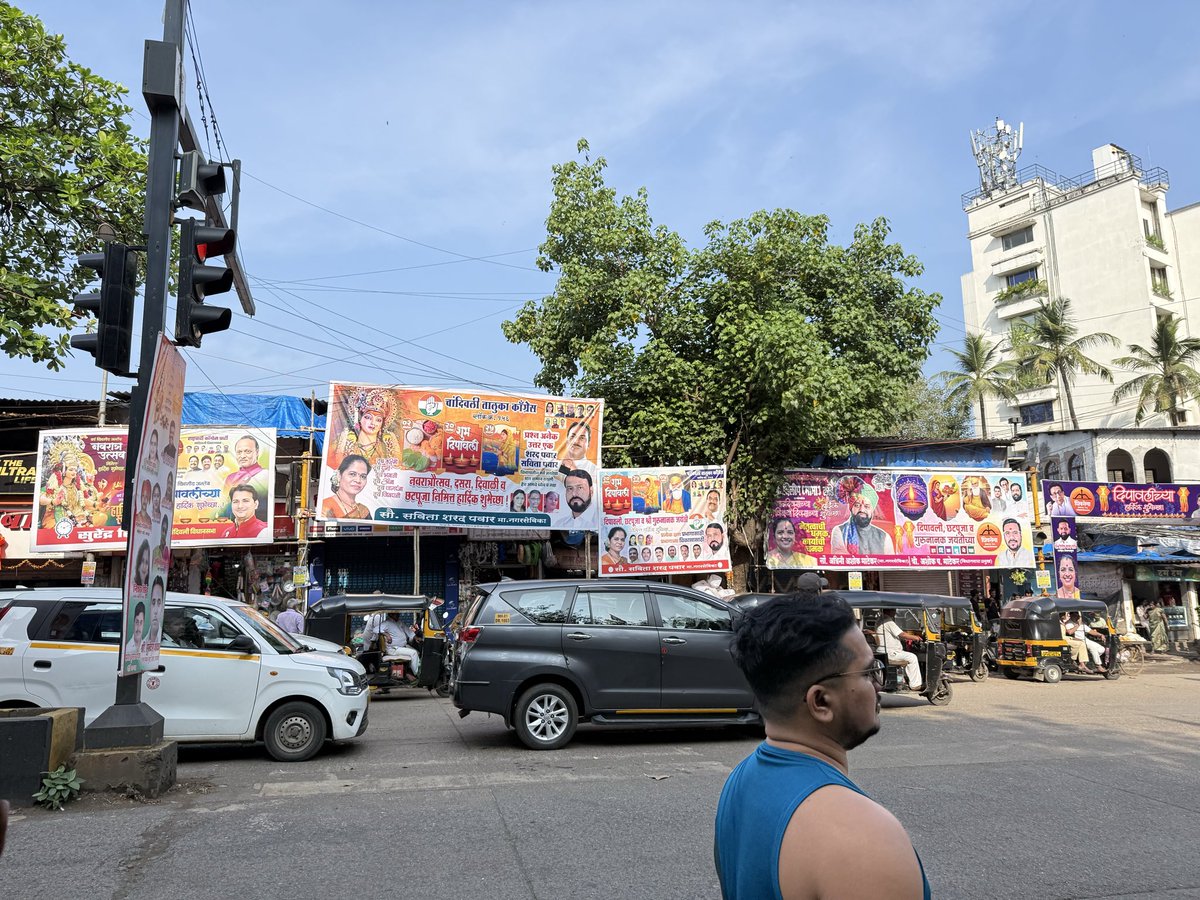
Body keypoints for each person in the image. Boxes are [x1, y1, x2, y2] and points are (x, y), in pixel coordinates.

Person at [715, 593, 930, 899]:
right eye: (869, 672)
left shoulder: (739, 782)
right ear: (821, 701)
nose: (879, 685)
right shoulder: (863, 838)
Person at [335, 389, 401, 466]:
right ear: (359, 419)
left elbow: (397, 467)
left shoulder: (387, 446)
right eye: (368, 417)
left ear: (382, 424)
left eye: (378, 420)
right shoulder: (347, 441)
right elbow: (336, 465)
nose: (373, 423)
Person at [830, 484, 896, 556]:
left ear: (872, 510)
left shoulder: (885, 537)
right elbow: (842, 561)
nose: (862, 510)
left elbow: (890, 563)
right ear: (851, 508)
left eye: (867, 506)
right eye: (857, 505)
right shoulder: (839, 531)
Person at [223, 435, 271, 520]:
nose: (242, 456)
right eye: (239, 452)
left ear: (257, 453)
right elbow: (224, 506)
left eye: (247, 451)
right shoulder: (230, 478)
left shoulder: (264, 475)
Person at [875, 609, 923, 691]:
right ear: (890, 611)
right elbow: (902, 634)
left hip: (883, 652)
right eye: (894, 610)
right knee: (912, 657)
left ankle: (905, 681)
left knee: (907, 657)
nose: (895, 612)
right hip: (891, 653)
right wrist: (915, 637)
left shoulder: (880, 620)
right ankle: (915, 685)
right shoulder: (888, 621)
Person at [321, 454, 372, 519]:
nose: (358, 480)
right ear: (339, 475)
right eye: (352, 474)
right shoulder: (325, 506)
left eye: (363, 476)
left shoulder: (364, 510)